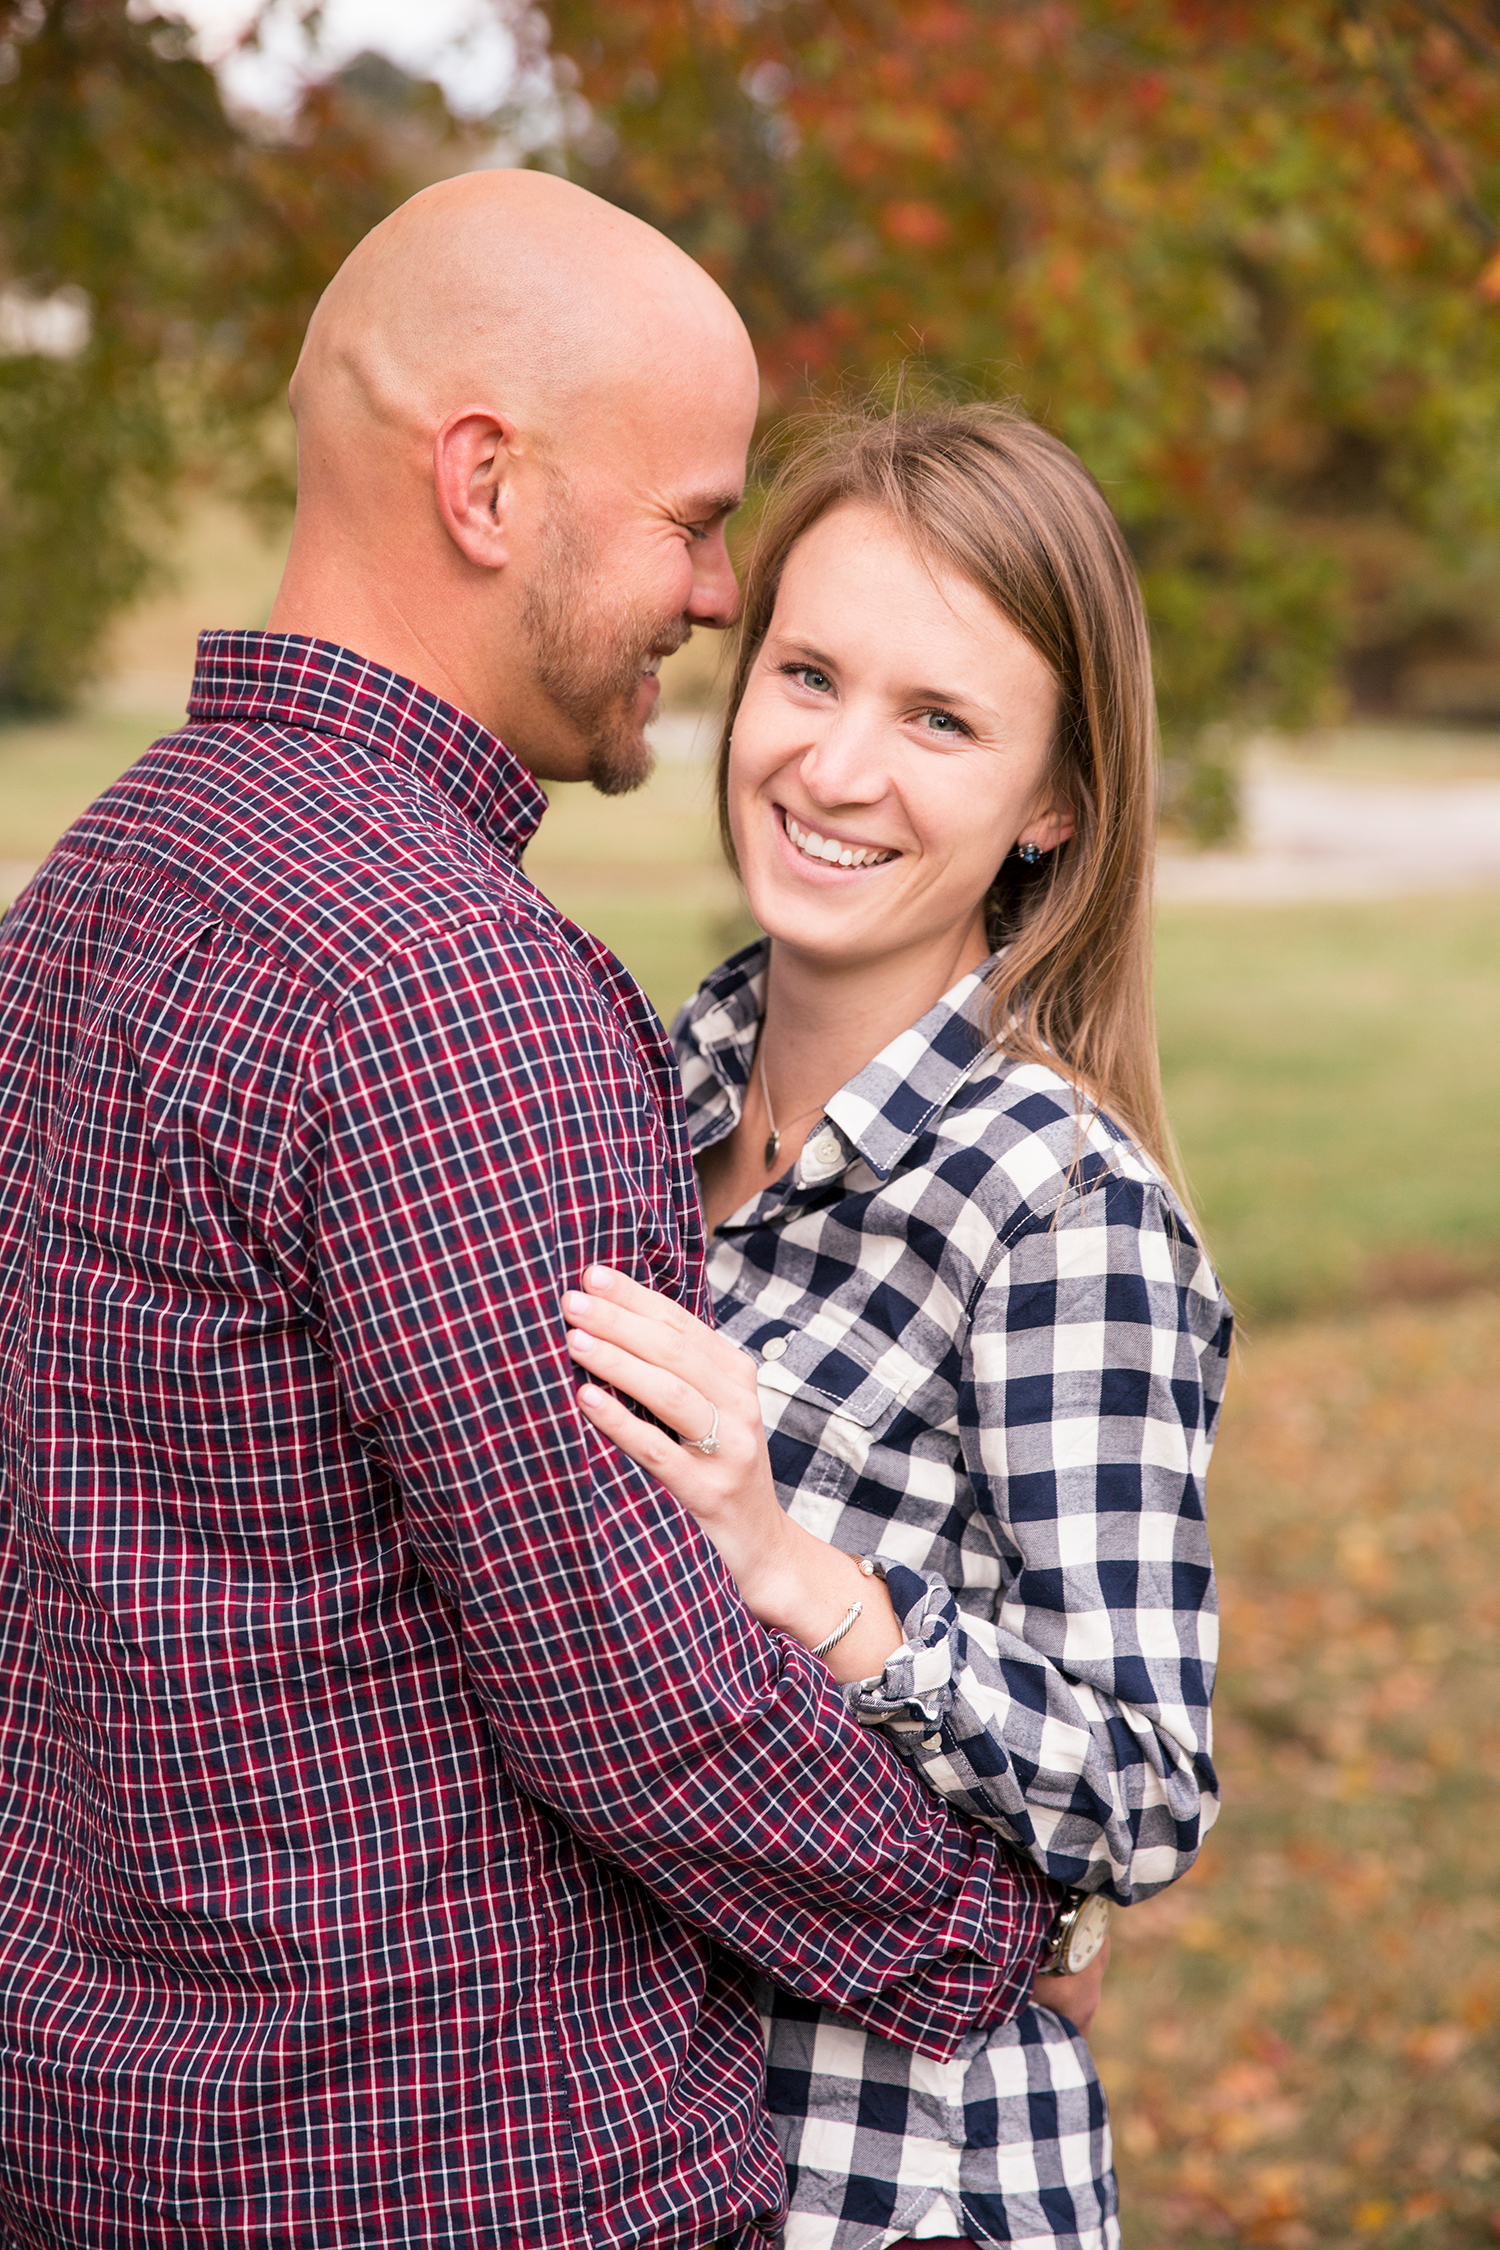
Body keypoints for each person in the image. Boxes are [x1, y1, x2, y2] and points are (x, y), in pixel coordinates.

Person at [0, 184, 1069, 2247]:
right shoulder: (449, 987)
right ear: (486, 486)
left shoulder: (93, 887)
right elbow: (625, 1667)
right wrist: (977, 1931)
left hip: (96, 2142)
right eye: (688, 520)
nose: (712, 591)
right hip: (455, 2163)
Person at [562, 404, 1233, 2250]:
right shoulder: (640, 1092)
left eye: (941, 720)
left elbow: (1145, 1785)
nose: (839, 766)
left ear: (1054, 801)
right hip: (620, 2150)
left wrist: (799, 1571)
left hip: (895, 2184)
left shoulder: (1053, 1205)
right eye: (809, 675)